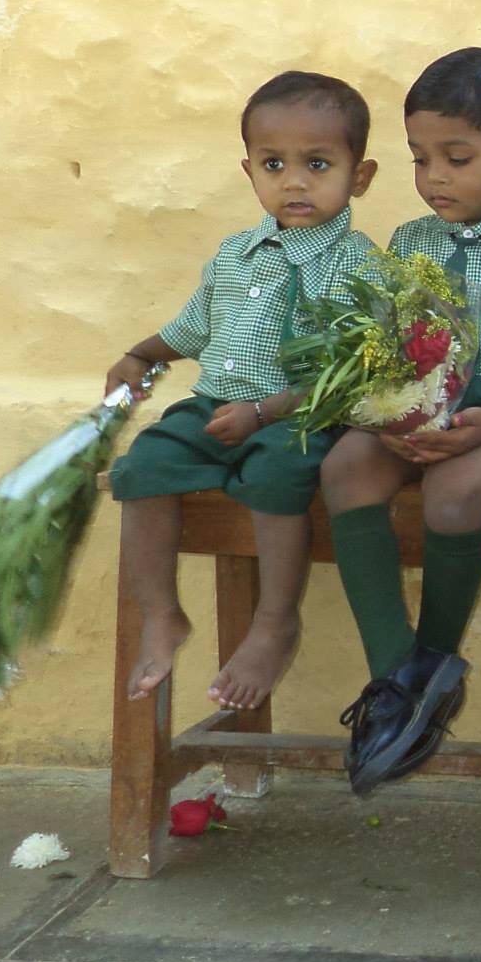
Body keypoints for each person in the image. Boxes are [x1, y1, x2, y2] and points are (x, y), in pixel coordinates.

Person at [324, 47, 481, 795]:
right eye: (419, 158)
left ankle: (432, 658)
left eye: (457, 158)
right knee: (345, 467)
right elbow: (392, 341)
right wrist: (391, 413)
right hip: (420, 404)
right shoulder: (410, 242)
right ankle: (399, 679)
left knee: (456, 491)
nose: (434, 176)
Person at [108, 70, 378, 711]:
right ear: (249, 170)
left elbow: (353, 371)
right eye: (273, 164)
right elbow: (191, 327)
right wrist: (139, 355)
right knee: (142, 466)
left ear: (360, 176)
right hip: (214, 408)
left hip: (298, 416)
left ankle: (275, 621)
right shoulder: (236, 253)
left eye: (317, 164)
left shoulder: (360, 264)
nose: (294, 182)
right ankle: (162, 614)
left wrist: (265, 411)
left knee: (277, 472)